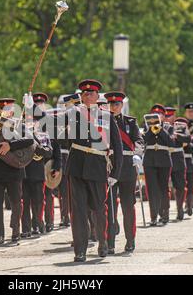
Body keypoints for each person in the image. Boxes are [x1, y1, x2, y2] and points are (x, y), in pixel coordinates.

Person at [53, 79, 123, 262]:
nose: (87, 95)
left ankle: (103, 242)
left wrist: (115, 173)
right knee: (78, 211)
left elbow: (117, 146)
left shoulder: (107, 117)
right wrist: (31, 111)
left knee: (99, 209)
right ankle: (80, 250)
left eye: (91, 93)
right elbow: (52, 124)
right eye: (84, 93)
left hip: (98, 166)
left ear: (98, 96)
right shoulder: (74, 113)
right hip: (76, 166)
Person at [0, 98, 35, 244]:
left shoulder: (19, 124)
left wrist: (10, 144)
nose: (5, 111)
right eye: (2, 108)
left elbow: (29, 140)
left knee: (16, 202)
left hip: (15, 169)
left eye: (8, 109)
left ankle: (15, 231)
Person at [104, 91, 144, 253]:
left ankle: (130, 240)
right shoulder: (102, 122)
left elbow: (139, 141)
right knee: (110, 206)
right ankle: (110, 242)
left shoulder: (130, 122)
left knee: (128, 205)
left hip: (127, 165)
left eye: (117, 104)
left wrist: (137, 154)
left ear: (121, 105)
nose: (114, 107)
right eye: (111, 104)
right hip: (110, 165)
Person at [21, 103, 54, 237]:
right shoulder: (20, 133)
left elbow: (49, 152)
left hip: (38, 172)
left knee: (38, 201)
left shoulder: (43, 135)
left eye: (33, 119)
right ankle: (26, 228)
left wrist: (37, 146)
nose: (31, 122)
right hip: (23, 171)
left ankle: (37, 224)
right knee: (25, 201)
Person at [143, 104, 175, 226]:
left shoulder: (168, 127)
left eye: (160, 114)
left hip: (164, 160)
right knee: (152, 189)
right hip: (150, 160)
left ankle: (164, 214)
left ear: (163, 116)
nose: (157, 116)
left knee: (163, 188)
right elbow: (143, 140)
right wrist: (150, 130)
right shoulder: (146, 127)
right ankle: (153, 216)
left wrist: (160, 130)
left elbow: (171, 143)